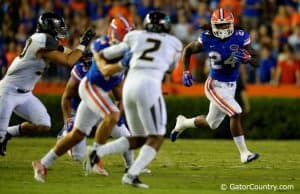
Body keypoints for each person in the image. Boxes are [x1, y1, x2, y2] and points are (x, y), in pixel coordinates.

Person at [84, 11, 182, 188]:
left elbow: (105, 53)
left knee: (139, 138)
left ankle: (97, 152)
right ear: (166, 26)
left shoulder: (134, 36)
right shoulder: (174, 43)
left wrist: (96, 54)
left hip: (129, 86)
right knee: (157, 137)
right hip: (149, 85)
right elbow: (170, 68)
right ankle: (131, 174)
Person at [32, 16, 136, 182]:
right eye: (125, 34)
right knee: (112, 116)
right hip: (89, 88)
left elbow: (118, 89)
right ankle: (95, 156)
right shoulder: (101, 45)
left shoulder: (126, 51)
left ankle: (42, 163)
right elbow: (104, 69)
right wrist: (123, 64)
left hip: (98, 95)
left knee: (80, 134)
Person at [170, 8, 259, 164]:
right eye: (220, 25)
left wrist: (248, 57)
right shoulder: (207, 37)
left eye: (226, 25)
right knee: (236, 112)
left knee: (211, 123)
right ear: (213, 25)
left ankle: (183, 122)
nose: (224, 28)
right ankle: (244, 153)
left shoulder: (240, 36)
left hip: (230, 86)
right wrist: (185, 71)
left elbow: (256, 61)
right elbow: (188, 50)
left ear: (231, 24)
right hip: (214, 84)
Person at [0, 12, 95, 156]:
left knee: (44, 124)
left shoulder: (44, 40)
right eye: (57, 27)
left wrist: (82, 54)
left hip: (25, 94)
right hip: (8, 91)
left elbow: (67, 52)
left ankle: (8, 133)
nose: (60, 30)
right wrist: (83, 45)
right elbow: (68, 61)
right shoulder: (42, 39)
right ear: (48, 27)